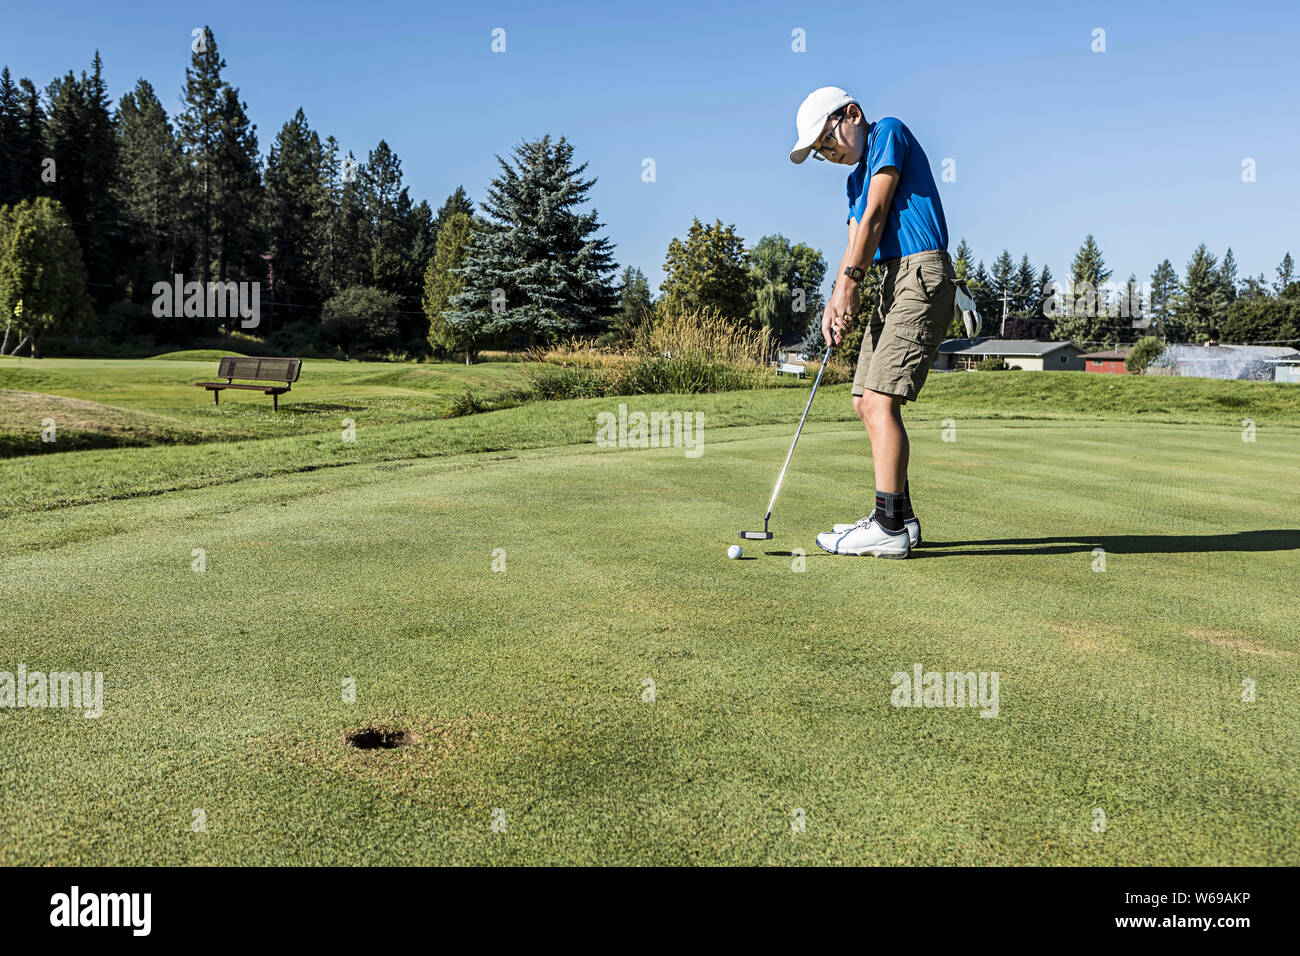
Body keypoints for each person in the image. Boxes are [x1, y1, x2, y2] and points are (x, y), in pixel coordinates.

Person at [788, 86, 956, 559]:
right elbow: (855, 235)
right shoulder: (852, 182)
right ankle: (901, 516)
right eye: (821, 152)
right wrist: (836, 299)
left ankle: (886, 527)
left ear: (853, 114)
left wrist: (850, 283)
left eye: (827, 141)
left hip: (921, 271)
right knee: (864, 399)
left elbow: (878, 214)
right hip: (886, 278)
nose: (829, 153)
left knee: (882, 400)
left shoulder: (888, 133)